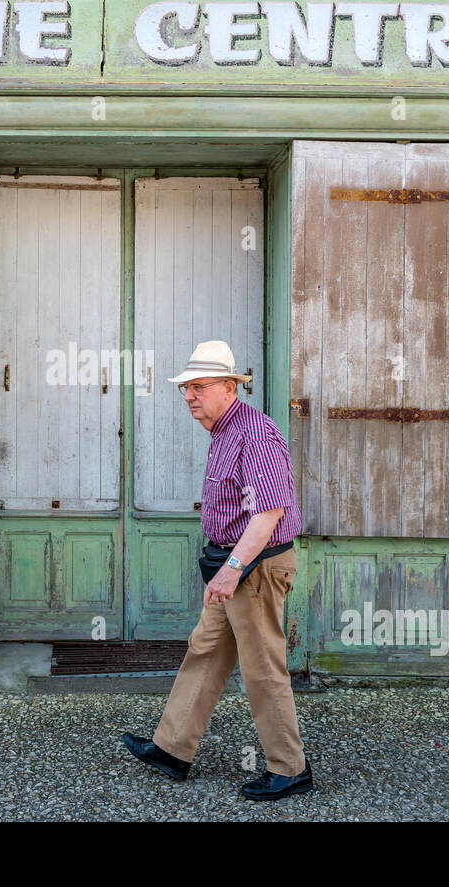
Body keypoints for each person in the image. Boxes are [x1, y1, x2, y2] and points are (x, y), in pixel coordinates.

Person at [121, 339, 312, 801]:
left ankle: (290, 769)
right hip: (236, 564)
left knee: (263, 668)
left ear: (230, 388)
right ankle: (172, 749)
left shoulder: (255, 432)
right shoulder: (224, 431)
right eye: (186, 387)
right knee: (205, 649)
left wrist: (230, 570)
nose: (190, 395)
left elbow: (268, 512)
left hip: (255, 568)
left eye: (200, 387)